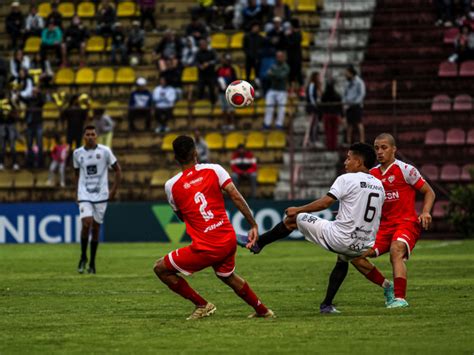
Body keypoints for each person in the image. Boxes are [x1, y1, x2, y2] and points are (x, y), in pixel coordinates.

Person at [237, 143, 393, 313]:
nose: (345, 162)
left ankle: (258, 243)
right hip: (363, 244)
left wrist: (298, 209)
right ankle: (330, 304)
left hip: (340, 237)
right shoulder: (379, 185)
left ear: (358, 162)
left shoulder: (346, 179)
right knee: (344, 258)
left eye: (348, 158)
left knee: (293, 219)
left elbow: (326, 202)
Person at [153, 135, 274, 320]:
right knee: (228, 276)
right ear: (195, 153)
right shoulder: (214, 169)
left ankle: (202, 305)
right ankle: (263, 311)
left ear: (175, 158)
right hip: (228, 238)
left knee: (160, 268)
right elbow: (235, 195)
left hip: (207, 246)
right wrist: (253, 224)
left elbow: (181, 217)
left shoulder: (171, 186)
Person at [317, 133, 436, 311]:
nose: (379, 152)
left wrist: (425, 212)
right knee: (355, 255)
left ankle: (400, 298)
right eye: (376, 148)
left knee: (396, 250)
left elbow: (429, 192)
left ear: (394, 149)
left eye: (384, 147)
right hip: (380, 228)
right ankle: (386, 286)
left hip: (406, 223)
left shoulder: (405, 170)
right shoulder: (371, 175)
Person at [74, 125, 122, 274]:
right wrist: (77, 192)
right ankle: (83, 256)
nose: (90, 137)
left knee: (95, 228)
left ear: (96, 137)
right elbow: (76, 173)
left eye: (92, 134)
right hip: (84, 194)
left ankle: (92, 263)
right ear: (84, 137)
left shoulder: (105, 152)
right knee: (86, 223)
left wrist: (113, 191)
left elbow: (118, 170)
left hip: (101, 195)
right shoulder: (77, 153)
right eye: (87, 134)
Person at [263, 50, 289, 129]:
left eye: (280, 56)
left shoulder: (286, 67)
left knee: (281, 108)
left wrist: (273, 74)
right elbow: (267, 75)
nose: (278, 58)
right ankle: (267, 123)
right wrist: (274, 74)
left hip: (282, 90)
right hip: (272, 89)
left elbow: (281, 76)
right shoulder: (273, 65)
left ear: (283, 57)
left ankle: (279, 124)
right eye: (277, 56)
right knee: (269, 107)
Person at [343, 65, 366, 145]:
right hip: (349, 105)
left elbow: (362, 94)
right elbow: (345, 94)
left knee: (358, 122)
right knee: (349, 124)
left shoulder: (359, 82)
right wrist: (345, 102)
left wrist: (356, 102)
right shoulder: (347, 83)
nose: (345, 74)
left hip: (356, 105)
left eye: (347, 73)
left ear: (351, 73)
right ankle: (348, 141)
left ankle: (362, 141)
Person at [24, 87, 45, 168]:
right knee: (29, 144)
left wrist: (39, 93)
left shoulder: (39, 101)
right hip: (30, 125)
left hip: (38, 124)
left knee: (39, 144)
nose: (34, 93)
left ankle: (40, 163)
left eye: (35, 92)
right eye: (33, 92)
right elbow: (23, 99)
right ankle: (30, 163)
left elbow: (43, 101)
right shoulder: (29, 100)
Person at [216, 54, 237, 130]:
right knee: (224, 109)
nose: (225, 61)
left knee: (231, 110)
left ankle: (232, 124)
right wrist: (218, 86)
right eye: (224, 60)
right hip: (221, 92)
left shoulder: (232, 69)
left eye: (227, 60)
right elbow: (216, 79)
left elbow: (235, 81)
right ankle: (225, 124)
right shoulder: (219, 69)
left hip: (229, 92)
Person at [320, 80, 343, 151]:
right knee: (334, 132)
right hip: (335, 115)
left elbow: (321, 106)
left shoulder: (324, 95)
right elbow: (340, 106)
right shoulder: (337, 95)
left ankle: (329, 146)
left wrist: (320, 116)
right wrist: (342, 115)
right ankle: (333, 146)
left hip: (327, 115)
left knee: (328, 132)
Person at [0, 94, 20, 171]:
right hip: (2, 125)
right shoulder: (0, 103)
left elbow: (17, 114)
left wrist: (13, 103)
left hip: (11, 125)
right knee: (2, 147)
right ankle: (1, 163)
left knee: (12, 146)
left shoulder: (12, 103)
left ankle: (15, 164)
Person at [196, 39, 217, 105]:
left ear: (206, 45)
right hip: (202, 74)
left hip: (210, 74)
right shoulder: (198, 53)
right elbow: (196, 62)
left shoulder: (212, 51)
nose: (203, 46)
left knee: (212, 89)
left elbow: (216, 60)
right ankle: (200, 103)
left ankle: (213, 103)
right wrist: (200, 66)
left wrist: (209, 63)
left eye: (204, 45)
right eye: (201, 45)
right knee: (200, 89)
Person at [305, 71, 322, 146]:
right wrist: (314, 104)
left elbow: (318, 95)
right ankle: (312, 139)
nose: (319, 78)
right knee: (312, 123)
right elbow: (311, 95)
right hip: (312, 107)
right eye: (318, 77)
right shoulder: (312, 85)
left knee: (315, 123)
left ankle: (314, 138)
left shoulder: (317, 85)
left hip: (316, 107)